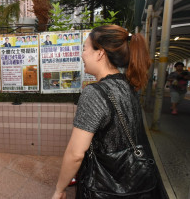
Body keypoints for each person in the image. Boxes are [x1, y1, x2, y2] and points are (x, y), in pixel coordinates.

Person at [52, 25, 160, 199]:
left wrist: (59, 189)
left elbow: (75, 153)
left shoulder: (95, 93)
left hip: (104, 188)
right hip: (133, 182)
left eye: (85, 49)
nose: (82, 55)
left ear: (100, 53)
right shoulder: (128, 86)